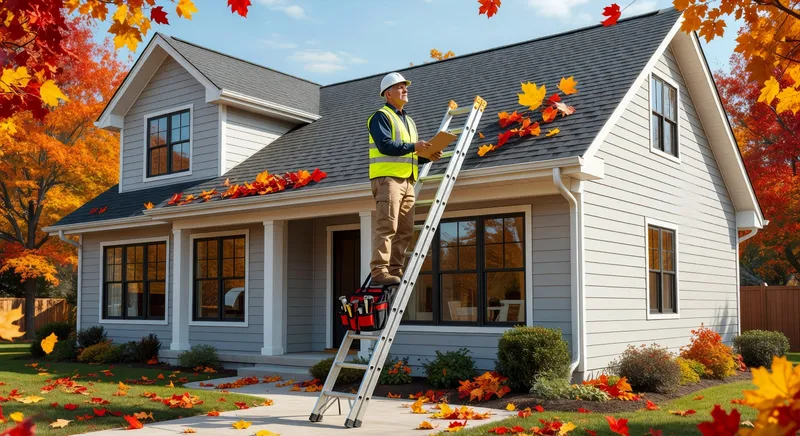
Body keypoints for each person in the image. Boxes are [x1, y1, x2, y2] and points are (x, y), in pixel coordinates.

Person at [366, 72, 442, 286]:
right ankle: (379, 271)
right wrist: (414, 147)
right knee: (387, 226)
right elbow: (385, 146)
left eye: (405, 87)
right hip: (387, 180)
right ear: (388, 93)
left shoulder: (409, 120)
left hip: (407, 180)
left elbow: (408, 155)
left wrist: (426, 157)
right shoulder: (380, 116)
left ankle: (394, 270)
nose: (405, 90)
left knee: (405, 229)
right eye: (400, 87)